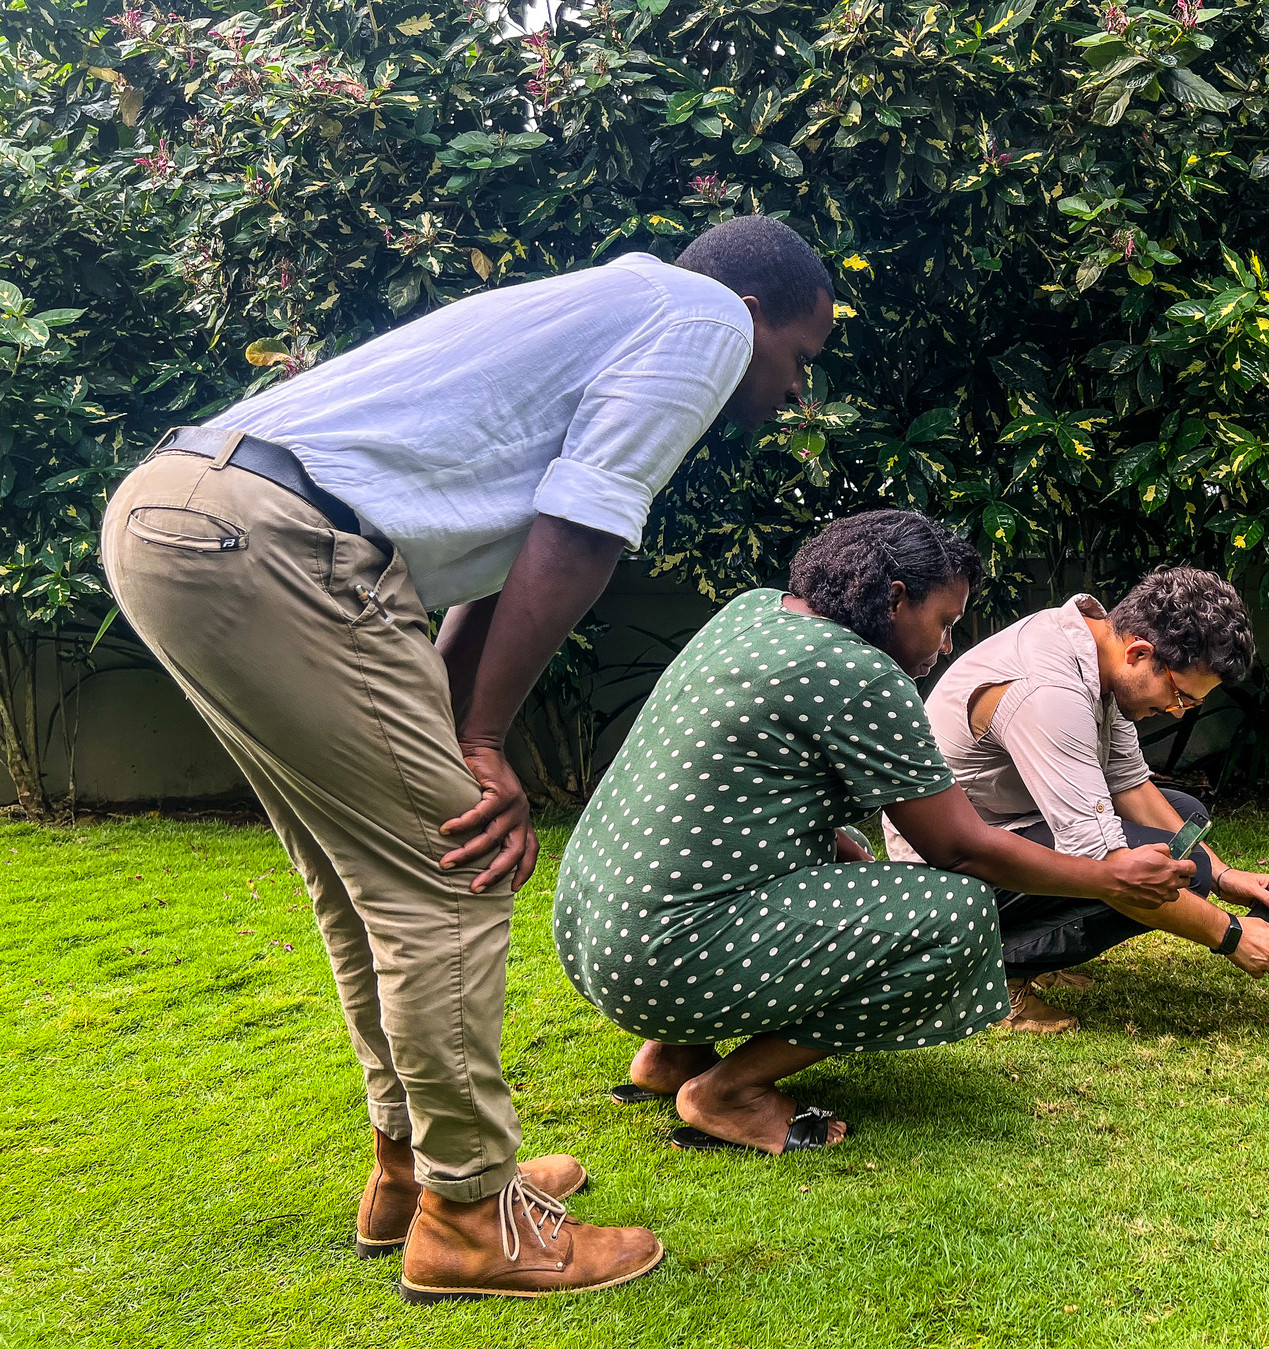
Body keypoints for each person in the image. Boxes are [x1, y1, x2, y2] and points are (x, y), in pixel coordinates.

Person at [100, 216, 835, 1303]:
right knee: (454, 868)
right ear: (759, 309)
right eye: (800, 360)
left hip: (184, 515)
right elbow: (582, 529)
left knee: (369, 882)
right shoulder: (701, 317)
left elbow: (519, 546)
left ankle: (413, 1175)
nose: (790, 390)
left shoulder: (602, 304)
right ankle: (468, 1219)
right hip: (275, 538)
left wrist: (458, 723)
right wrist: (481, 742)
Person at [552, 510, 1196, 1153]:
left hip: (593, 928)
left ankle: (670, 1056)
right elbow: (961, 847)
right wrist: (1108, 875)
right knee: (958, 913)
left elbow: (743, 787)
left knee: (815, 864)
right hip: (664, 956)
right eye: (944, 622)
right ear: (893, 600)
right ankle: (730, 1092)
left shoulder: (754, 613)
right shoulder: (861, 676)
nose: (947, 645)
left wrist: (842, 852)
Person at [883, 567, 1269, 1033]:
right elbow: (1103, 864)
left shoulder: (1097, 655)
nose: (1176, 711)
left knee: (1186, 830)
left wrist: (1223, 876)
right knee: (1147, 869)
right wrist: (1230, 935)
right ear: (1140, 653)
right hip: (948, 867)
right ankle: (995, 974)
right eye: (1181, 696)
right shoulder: (1050, 692)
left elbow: (1129, 784)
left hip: (1016, 823)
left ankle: (1037, 949)